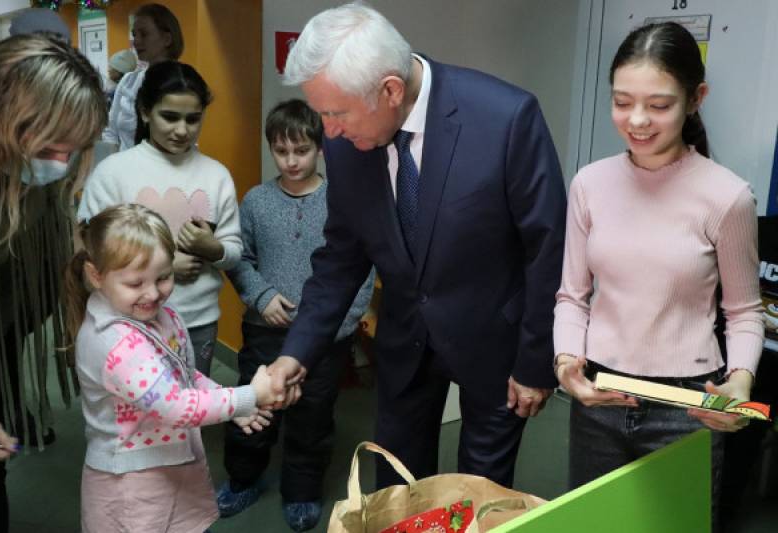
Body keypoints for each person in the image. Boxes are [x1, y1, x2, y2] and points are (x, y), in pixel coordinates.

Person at [270, 2, 567, 490]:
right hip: (405, 344)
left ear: (390, 90)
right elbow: (340, 259)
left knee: (479, 493)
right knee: (395, 485)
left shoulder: (506, 118)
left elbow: (548, 248)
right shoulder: (345, 145)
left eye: (336, 113)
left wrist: (537, 363)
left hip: (494, 344)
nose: (329, 131)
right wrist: (295, 354)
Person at [552, 22, 763, 531]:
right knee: (594, 526)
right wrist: (565, 362)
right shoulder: (590, 184)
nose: (637, 120)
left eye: (659, 105)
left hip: (687, 407)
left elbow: (744, 312)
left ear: (696, 99)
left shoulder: (727, 196)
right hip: (601, 396)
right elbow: (572, 297)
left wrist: (740, 381)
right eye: (622, 102)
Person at [63, 203, 277, 533]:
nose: (153, 293)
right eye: (135, 283)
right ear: (96, 276)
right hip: (133, 487)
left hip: (167, 467)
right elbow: (175, 405)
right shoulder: (116, 345)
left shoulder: (154, 315)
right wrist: (247, 396)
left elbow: (182, 375)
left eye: (163, 277)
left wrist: (228, 401)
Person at [215, 99, 375, 531]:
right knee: (253, 407)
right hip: (264, 330)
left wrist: (338, 324)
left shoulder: (341, 201)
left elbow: (361, 269)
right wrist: (261, 296)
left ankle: (302, 491)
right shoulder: (256, 201)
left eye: (301, 150)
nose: (291, 161)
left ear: (319, 148)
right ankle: (243, 478)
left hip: (325, 341)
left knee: (312, 417)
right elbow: (239, 259)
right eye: (281, 151)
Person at [0, 34, 106, 532]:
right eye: (50, 143)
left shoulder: (37, 182)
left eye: (73, 148)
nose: (59, 162)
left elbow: (58, 247)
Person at [78, 60, 242, 377]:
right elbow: (91, 251)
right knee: (133, 404)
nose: (182, 130)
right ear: (145, 111)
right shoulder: (113, 173)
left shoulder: (216, 175)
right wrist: (162, 269)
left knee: (193, 399)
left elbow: (234, 252)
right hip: (126, 321)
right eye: (170, 117)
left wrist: (213, 249)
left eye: (193, 119)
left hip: (197, 321)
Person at [102, 3, 183, 151]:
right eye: (134, 35)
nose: (136, 41)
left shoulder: (184, 84)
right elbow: (111, 132)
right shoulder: (128, 81)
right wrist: (113, 161)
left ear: (167, 39)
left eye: (144, 34)